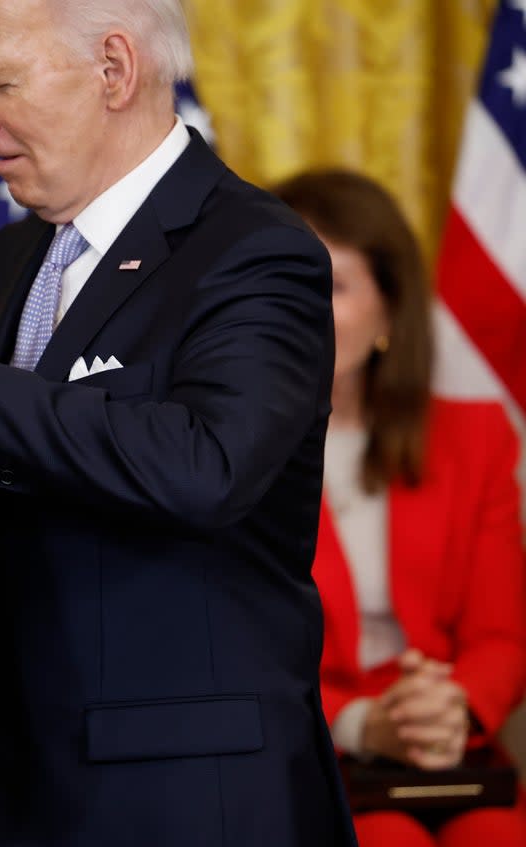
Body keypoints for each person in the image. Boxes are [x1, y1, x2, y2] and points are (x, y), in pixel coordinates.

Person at [0, 0, 356, 844]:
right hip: (8, 787)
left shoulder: (256, 250)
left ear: (114, 68)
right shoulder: (5, 263)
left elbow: (205, 464)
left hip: (184, 800)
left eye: (0, 80)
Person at [273, 168, 526, 846]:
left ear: (388, 311)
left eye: (330, 284)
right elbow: (239, 654)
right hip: (306, 753)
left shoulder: (475, 439)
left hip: (450, 748)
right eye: (281, 280)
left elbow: (501, 636)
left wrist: (448, 711)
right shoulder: (223, 449)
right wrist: (359, 724)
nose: (299, 306)